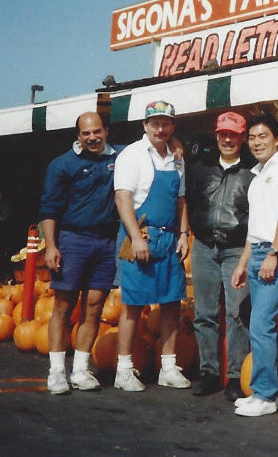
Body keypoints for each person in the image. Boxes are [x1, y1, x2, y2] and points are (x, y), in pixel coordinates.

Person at [40, 112, 122, 395]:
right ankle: (56, 372)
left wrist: (174, 144)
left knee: (95, 306)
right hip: (72, 240)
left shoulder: (120, 157)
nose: (92, 138)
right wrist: (51, 246)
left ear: (106, 131)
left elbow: (149, 146)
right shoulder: (62, 164)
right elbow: (49, 209)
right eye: (86, 133)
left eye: (97, 132)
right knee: (63, 307)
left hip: (105, 242)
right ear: (78, 135)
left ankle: (80, 369)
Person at [231, 113, 278, 417]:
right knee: (260, 324)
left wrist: (274, 254)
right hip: (259, 251)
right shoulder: (258, 174)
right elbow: (256, 226)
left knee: (261, 323)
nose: (256, 142)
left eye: (263, 136)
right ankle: (271, 392)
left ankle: (263, 395)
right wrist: (242, 263)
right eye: (251, 137)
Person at [113, 100, 190, 391]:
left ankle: (168, 367)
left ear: (173, 126)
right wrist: (134, 237)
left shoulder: (177, 157)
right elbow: (122, 199)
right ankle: (124, 370)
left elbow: (180, 199)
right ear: (145, 126)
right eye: (155, 123)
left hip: (170, 237)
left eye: (166, 123)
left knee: (171, 302)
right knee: (133, 304)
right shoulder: (132, 155)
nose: (161, 128)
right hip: (140, 235)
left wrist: (184, 233)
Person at [186, 111, 254, 400]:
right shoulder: (200, 167)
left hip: (236, 249)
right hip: (203, 246)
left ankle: (237, 377)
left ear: (242, 138)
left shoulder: (253, 173)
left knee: (238, 313)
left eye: (234, 134)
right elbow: (186, 201)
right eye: (223, 134)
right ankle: (209, 373)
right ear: (216, 136)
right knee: (204, 313)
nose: (228, 139)